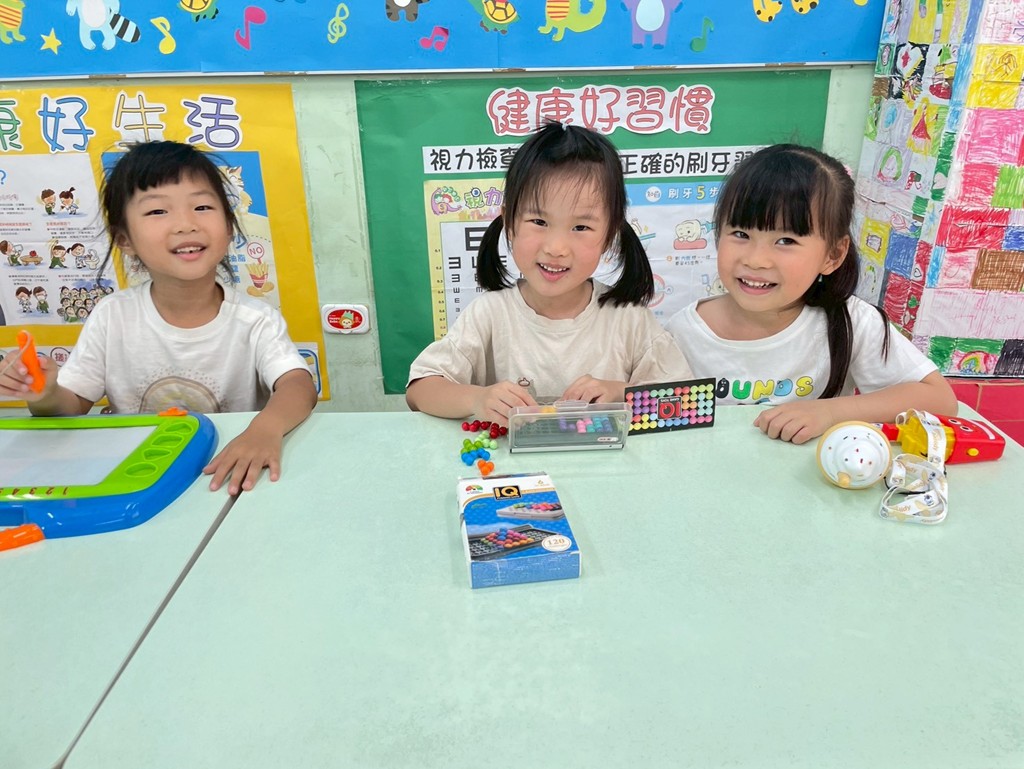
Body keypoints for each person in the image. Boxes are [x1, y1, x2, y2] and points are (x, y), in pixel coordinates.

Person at [0, 140, 317, 493]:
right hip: (136, 479)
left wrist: (265, 429)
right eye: (157, 211)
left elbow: (298, 385)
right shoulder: (113, 316)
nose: (185, 224)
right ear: (125, 239)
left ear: (229, 228)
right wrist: (43, 393)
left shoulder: (255, 319)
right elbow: (69, 406)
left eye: (202, 206)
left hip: (226, 473)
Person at [666, 143, 957, 444]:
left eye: (786, 240)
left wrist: (830, 412)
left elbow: (941, 401)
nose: (756, 260)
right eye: (741, 234)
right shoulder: (682, 332)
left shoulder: (851, 322)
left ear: (833, 255)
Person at [406, 121, 692, 425]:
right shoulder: (489, 314)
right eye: (539, 222)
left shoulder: (629, 319)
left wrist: (622, 393)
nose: (556, 248)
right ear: (509, 223)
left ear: (610, 235)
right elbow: (420, 390)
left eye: (581, 227)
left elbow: (686, 402)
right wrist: (477, 399)